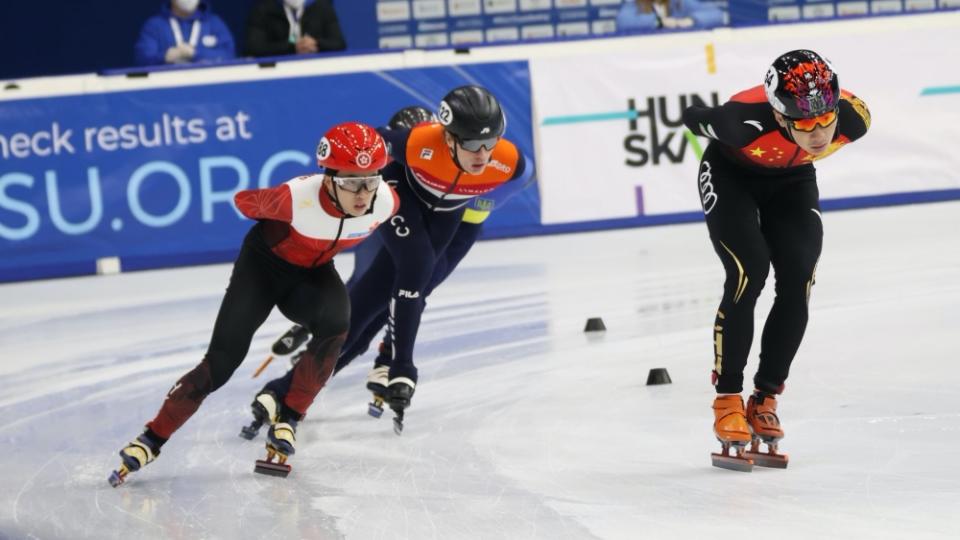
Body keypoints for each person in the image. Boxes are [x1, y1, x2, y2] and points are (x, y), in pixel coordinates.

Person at [108, 122, 400, 486]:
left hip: (312, 274)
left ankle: (289, 417)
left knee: (337, 325)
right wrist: (271, 202)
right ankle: (152, 438)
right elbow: (244, 201)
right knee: (223, 361)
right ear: (327, 179)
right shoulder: (296, 198)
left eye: (371, 180)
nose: (362, 193)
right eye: (351, 182)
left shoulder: (386, 201)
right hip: (262, 271)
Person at [251, 86, 533, 434]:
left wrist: (481, 204)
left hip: (458, 218)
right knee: (411, 272)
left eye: (490, 144)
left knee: (385, 301)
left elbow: (521, 178)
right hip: (405, 200)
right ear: (447, 138)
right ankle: (398, 365)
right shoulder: (416, 144)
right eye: (473, 144)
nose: (483, 155)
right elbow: (360, 147)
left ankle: (291, 387)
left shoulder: (511, 163)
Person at [682, 50, 871, 471]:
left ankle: (765, 397)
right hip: (732, 176)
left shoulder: (855, 119)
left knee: (800, 277)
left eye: (826, 120)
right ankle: (727, 398)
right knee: (749, 270)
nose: (819, 134)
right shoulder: (740, 122)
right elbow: (691, 115)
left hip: (793, 181)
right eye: (804, 125)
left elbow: (825, 129)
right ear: (780, 117)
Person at [134, 0, 236, 67]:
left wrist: (195, 53)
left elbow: (229, 56)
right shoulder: (154, 25)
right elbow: (142, 59)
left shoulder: (214, 23)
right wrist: (164, 57)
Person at [246, 0, 346, 58]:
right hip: (277, 71)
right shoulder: (263, 10)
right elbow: (254, 48)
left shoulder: (322, 7)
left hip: (315, 68)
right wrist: (293, 48)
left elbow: (339, 43)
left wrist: (315, 44)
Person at [616, 0, 724, 32]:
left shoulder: (679, 2)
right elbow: (623, 21)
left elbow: (716, 14)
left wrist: (692, 20)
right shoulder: (635, 4)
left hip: (678, 55)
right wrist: (659, 22)